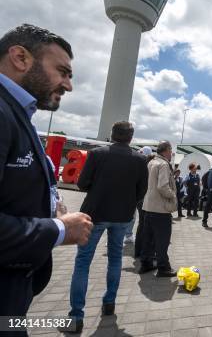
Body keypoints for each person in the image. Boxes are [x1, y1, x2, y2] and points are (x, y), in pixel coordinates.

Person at [0, 24, 93, 322]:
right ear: (20, 57)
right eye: (62, 72)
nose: (68, 85)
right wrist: (60, 229)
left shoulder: (18, 114)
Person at [68, 121, 148, 327]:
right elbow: (141, 192)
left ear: (112, 135)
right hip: (122, 217)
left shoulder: (97, 154)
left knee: (83, 262)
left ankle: (76, 316)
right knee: (115, 259)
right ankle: (109, 302)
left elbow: (82, 183)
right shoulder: (140, 160)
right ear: (131, 137)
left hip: (95, 214)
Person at [139, 141, 178, 277]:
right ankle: (163, 267)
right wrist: (172, 195)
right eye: (171, 150)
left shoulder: (151, 162)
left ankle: (146, 264)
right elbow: (162, 186)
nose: (172, 153)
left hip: (148, 206)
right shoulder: (163, 164)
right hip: (160, 208)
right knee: (162, 240)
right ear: (166, 150)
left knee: (148, 238)